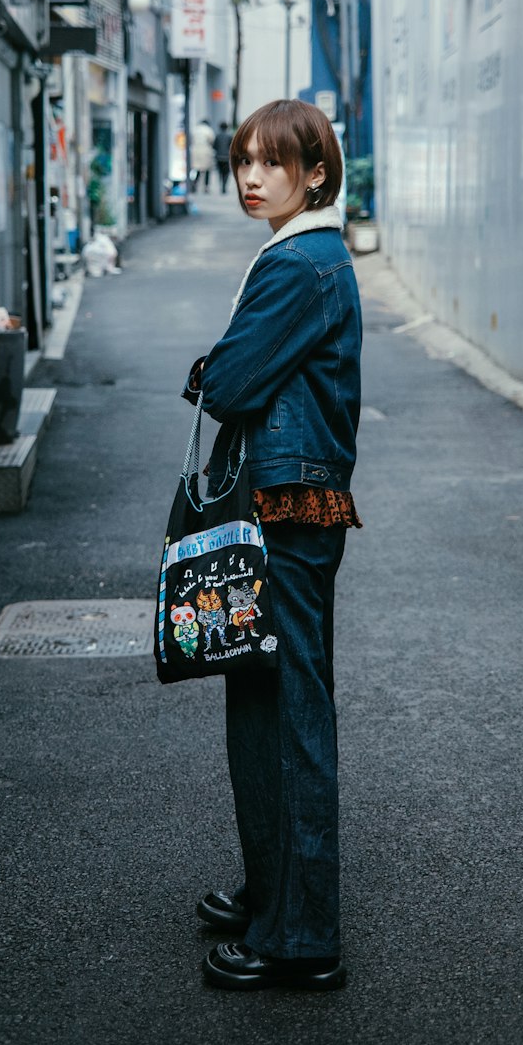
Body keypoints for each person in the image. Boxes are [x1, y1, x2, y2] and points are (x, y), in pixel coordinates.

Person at [184, 99, 362, 992]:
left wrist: (214, 369)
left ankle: (302, 937)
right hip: (281, 503)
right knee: (259, 696)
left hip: (289, 511)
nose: (252, 178)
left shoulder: (302, 262)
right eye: (243, 161)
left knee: (288, 710)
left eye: (272, 162)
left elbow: (233, 379)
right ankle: (272, 892)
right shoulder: (302, 252)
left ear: (317, 172)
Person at [190, 118, 216, 192]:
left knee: (197, 169)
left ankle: (194, 183)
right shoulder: (209, 130)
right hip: (206, 151)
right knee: (207, 170)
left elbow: (191, 139)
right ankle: (206, 186)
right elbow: (212, 141)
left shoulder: (195, 129)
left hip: (195, 150)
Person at [213, 121, 234, 193]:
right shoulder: (229, 136)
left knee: (220, 172)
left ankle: (222, 185)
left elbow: (214, 146)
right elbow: (232, 146)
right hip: (226, 157)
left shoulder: (217, 136)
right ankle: (224, 186)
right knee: (226, 172)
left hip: (218, 157)